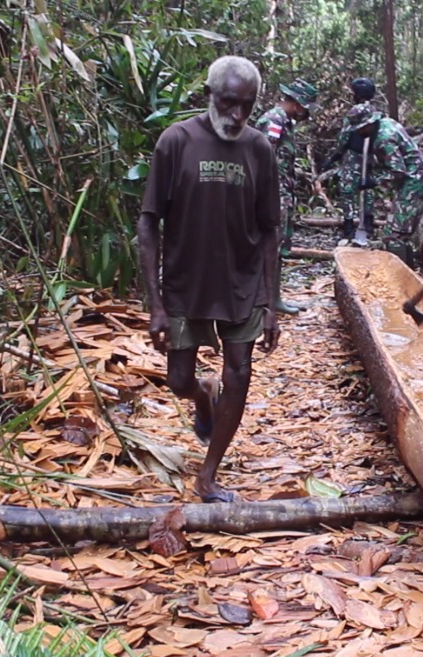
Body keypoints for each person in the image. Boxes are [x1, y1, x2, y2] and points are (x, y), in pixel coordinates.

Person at [136, 56, 280, 503]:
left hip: (243, 284)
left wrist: (272, 302)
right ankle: (202, 396)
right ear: (210, 97)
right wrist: (157, 305)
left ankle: (208, 475)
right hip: (187, 283)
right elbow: (148, 224)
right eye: (229, 103)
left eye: (247, 106)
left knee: (240, 372)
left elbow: (270, 229)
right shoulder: (176, 141)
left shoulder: (259, 148)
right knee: (179, 379)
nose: (237, 115)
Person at [253, 78, 321, 315]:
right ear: (297, 102)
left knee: (278, 246)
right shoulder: (273, 120)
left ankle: (274, 299)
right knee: (267, 245)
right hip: (271, 194)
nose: (306, 113)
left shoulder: (285, 122)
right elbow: (261, 157)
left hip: (282, 193)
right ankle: (261, 302)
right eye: (305, 107)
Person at [339, 102, 423, 265]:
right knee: (402, 232)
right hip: (412, 182)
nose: (359, 132)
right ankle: (409, 270)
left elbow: (398, 171)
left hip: (413, 184)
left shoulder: (383, 139)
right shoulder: (387, 122)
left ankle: (399, 275)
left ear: (368, 124)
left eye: (360, 128)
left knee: (393, 234)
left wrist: (373, 182)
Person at [322, 78, 379, 243]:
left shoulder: (354, 112)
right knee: (367, 187)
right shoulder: (375, 111)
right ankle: (368, 224)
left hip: (353, 155)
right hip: (370, 156)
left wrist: (335, 157)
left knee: (347, 189)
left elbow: (344, 136)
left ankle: (348, 226)